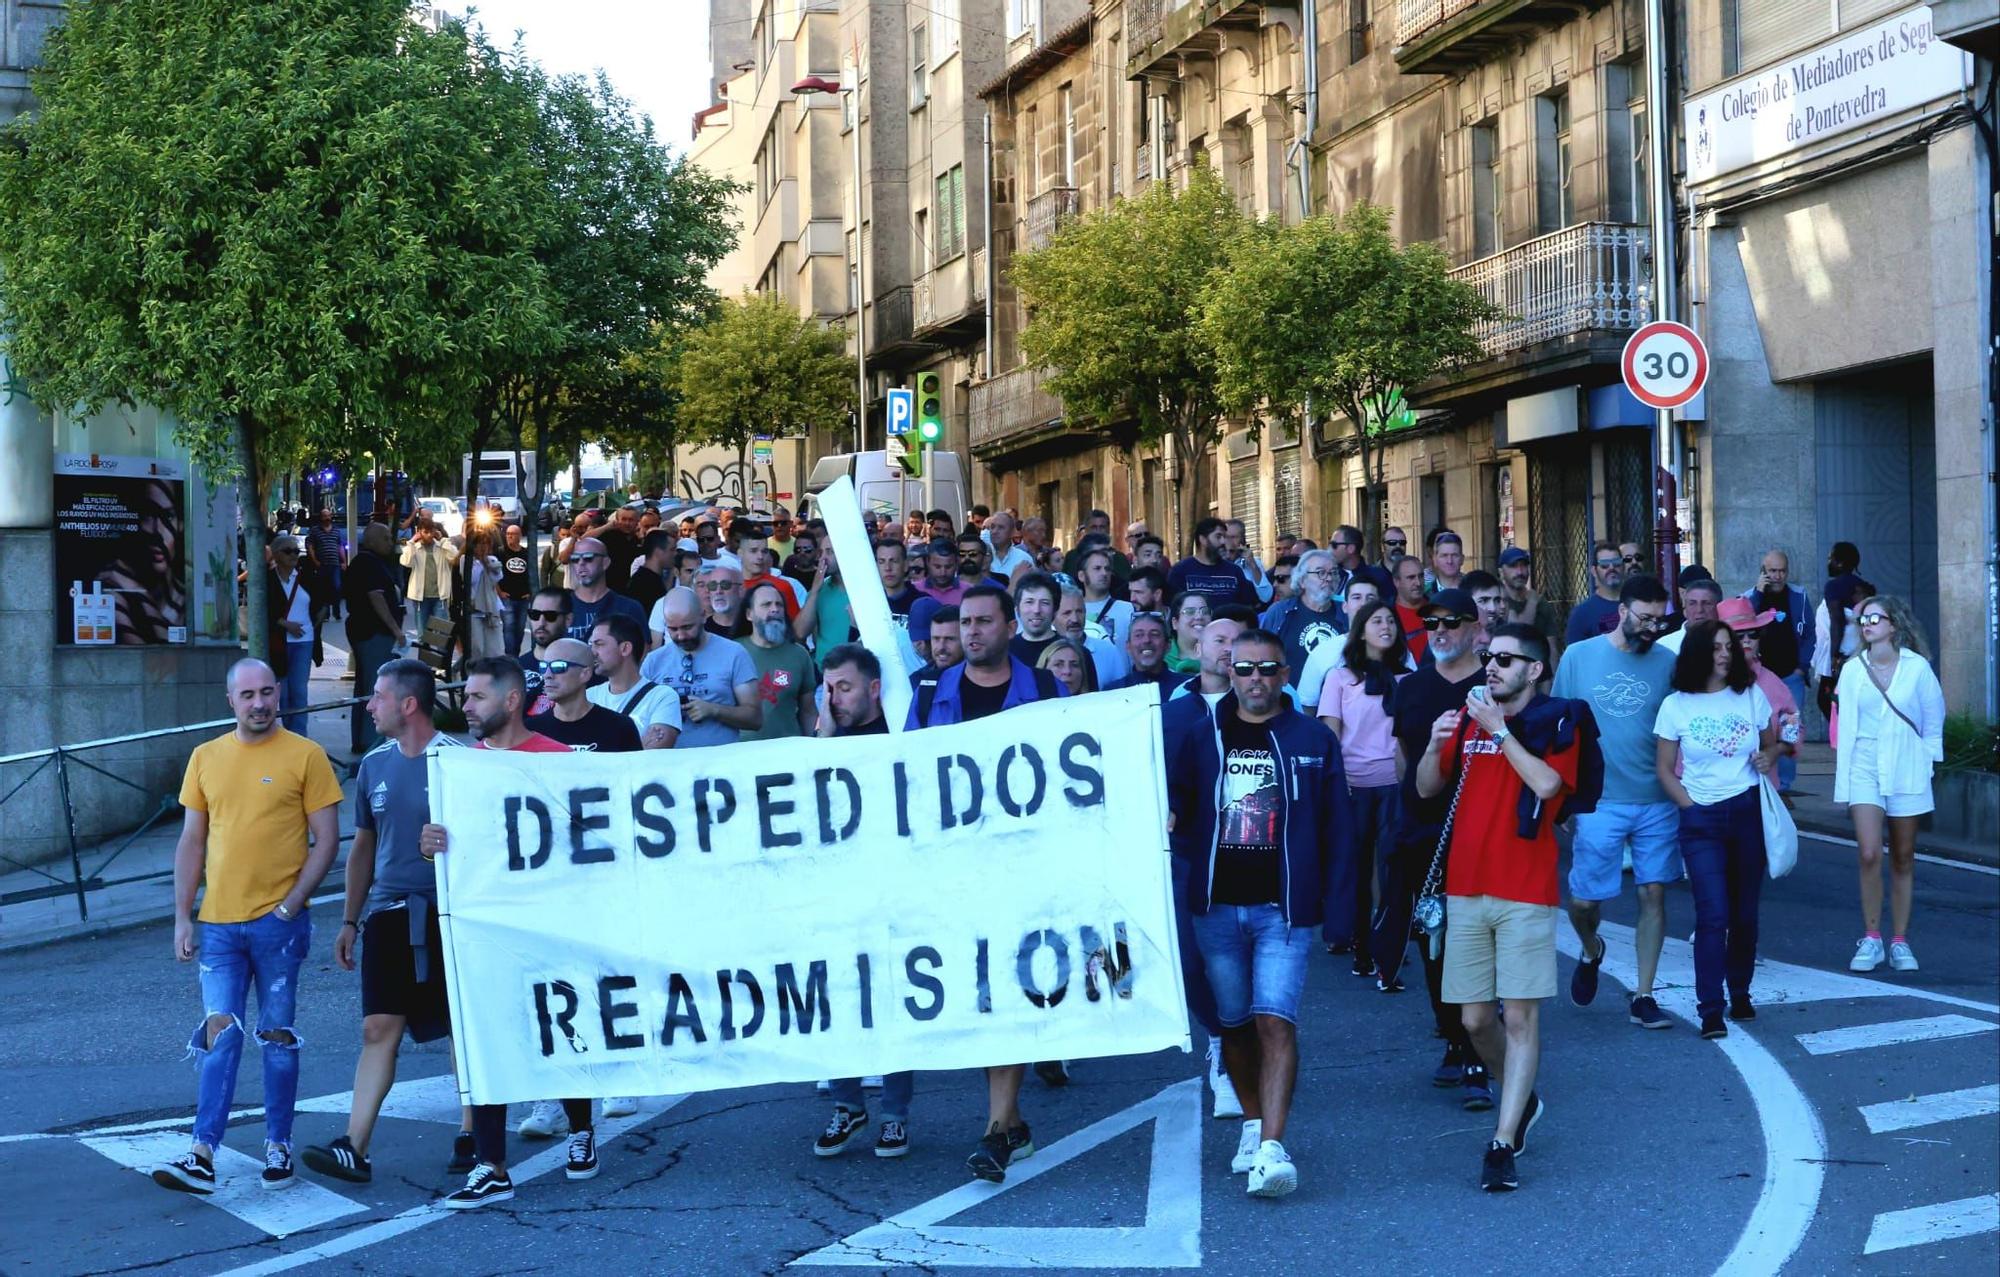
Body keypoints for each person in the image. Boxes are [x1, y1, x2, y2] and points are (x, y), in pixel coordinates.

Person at [1166, 628, 1352, 1199]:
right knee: (1235, 1026)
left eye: (1267, 669)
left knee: (1275, 1019)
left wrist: (1339, 912)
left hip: (1284, 911)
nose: (1254, 681)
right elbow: (1176, 809)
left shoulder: (1313, 739)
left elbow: (1338, 829)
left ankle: (1273, 1146)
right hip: (1216, 907)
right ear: (1228, 672)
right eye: (1244, 670)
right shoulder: (1201, 737)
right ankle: (1252, 1122)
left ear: (1286, 675)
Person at [152, 660, 343, 1196]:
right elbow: (192, 841)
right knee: (220, 1033)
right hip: (217, 925)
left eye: (266, 692)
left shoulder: (305, 755)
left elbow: (327, 840)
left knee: (277, 1037)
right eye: (247, 695)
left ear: (278, 694)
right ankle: (202, 1152)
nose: (258, 703)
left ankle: (278, 1146)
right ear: (229, 700)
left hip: (278, 925)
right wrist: (182, 916)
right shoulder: (205, 757)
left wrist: (291, 906)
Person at [1416, 624, 1591, 1193]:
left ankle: (1503, 1139)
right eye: (1489, 657)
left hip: (1524, 890)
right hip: (1465, 888)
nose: (1491, 666)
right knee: (1473, 1020)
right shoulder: (1469, 717)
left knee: (1519, 1017)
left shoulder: (1558, 722)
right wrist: (1432, 744)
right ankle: (1523, 1099)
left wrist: (1500, 730)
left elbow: (1546, 786)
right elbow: (1424, 788)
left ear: (1534, 670)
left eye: (1505, 660)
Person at [423, 658, 598, 1208]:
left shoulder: (557, 760)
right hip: (488, 929)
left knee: (562, 1028)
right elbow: (454, 847)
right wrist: (433, 842)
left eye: (475, 697)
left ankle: (581, 1129)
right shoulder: (460, 770)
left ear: (511, 701)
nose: (466, 707)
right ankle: (491, 1164)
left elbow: (587, 838)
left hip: (550, 925)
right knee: (489, 1038)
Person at [906, 586, 1066, 1183]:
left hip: (1022, 869)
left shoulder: (1047, 691)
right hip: (956, 870)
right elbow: (911, 778)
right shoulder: (929, 696)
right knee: (978, 994)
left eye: (983, 622)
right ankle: (1015, 1121)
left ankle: (998, 1131)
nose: (972, 632)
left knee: (1007, 989)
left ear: (1007, 627)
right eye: (964, 622)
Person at [301, 661, 475, 1186]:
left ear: (408, 704)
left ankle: (472, 1133)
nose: (368, 705)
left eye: (377, 696)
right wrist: (350, 919)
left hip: (450, 913)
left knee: (462, 1029)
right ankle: (355, 1147)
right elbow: (364, 848)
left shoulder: (461, 762)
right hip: (389, 914)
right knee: (377, 1027)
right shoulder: (373, 765)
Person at [1378, 592, 1490, 1107]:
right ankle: (1454, 1037)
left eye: (1450, 622)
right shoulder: (1413, 688)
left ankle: (1478, 1044)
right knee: (1433, 937)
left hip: (1485, 832)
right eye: (1431, 623)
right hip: (1424, 831)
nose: (1439, 630)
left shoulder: (1492, 684)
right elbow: (1403, 761)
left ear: (1474, 627)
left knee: (1478, 936)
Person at [1551, 574, 1678, 1029]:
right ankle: (1591, 949)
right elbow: (1559, 729)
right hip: (1598, 799)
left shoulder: (1668, 662)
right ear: (1622, 611)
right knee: (1584, 902)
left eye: (1659, 621)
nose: (1652, 628)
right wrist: (1563, 799)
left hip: (1656, 798)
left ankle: (1644, 995)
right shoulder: (1579, 657)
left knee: (1653, 892)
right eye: (1645, 618)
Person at [1654, 621, 1780, 1038]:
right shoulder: (1676, 706)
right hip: (1701, 819)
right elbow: (1665, 769)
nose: (1727, 654)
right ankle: (1710, 1007)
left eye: (1730, 646)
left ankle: (1740, 992)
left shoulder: (1750, 695)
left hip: (1746, 811)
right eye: (1717, 648)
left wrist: (1768, 757)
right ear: (1697, 653)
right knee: (1713, 914)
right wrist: (1690, 806)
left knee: (1745, 913)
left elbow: (1772, 743)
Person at [1835, 595, 1946, 974]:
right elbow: (1845, 727)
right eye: (1863, 619)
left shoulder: (1917, 669)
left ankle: (1899, 939)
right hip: (1864, 764)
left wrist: (1928, 764)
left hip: (1907, 765)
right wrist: (1844, 782)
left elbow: (1933, 721)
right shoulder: (1852, 670)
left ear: (1894, 625)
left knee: (1902, 855)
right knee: (1868, 852)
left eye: (1875, 618)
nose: (1867, 624)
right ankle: (1871, 938)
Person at [1317, 599, 1409, 982]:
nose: (1385, 626)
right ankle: (1360, 943)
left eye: (1391, 620)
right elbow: (1329, 732)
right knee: (1356, 868)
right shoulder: (1340, 678)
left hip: (1395, 784)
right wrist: (1334, 786)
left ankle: (1390, 943)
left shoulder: (1406, 678)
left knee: (1392, 868)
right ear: (1361, 630)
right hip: (1354, 783)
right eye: (1376, 620)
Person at [641, 586, 762, 748]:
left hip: (719, 763)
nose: (681, 636)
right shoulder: (654, 661)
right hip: (669, 764)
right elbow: (638, 718)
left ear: (703, 616)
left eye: (687, 627)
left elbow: (755, 718)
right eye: (673, 629)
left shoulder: (734, 654)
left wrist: (714, 710)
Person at [1742, 548, 1815, 790]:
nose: (1778, 576)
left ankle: (1785, 785)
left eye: (1782, 570)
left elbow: (1810, 635)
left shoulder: (1798, 596)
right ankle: (1760, 781)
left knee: (1791, 727)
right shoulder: (1750, 597)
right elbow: (1742, 625)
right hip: (1759, 678)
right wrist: (1757, 594)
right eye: (1772, 571)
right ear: (1763, 571)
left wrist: (1802, 668)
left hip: (1790, 676)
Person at [1296, 572, 1410, 714]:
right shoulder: (1324, 652)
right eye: (1357, 598)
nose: (1363, 604)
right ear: (1345, 606)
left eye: (1370, 598)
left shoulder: (1399, 651)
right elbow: (1308, 705)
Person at [344, 523, 406, 757]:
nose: (390, 543)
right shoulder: (368, 564)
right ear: (372, 540)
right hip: (373, 633)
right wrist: (396, 630)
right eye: (386, 538)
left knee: (366, 685)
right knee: (374, 687)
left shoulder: (369, 562)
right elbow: (376, 597)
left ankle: (362, 738)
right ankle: (371, 740)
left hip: (367, 632)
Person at [528, 638, 644, 752]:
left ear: (585, 674)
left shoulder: (620, 728)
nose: (547, 675)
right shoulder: (531, 730)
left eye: (558, 667)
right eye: (543, 667)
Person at [587, 613, 681, 748]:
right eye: (590, 645)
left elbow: (654, 756)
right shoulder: (588, 697)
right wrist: (637, 745)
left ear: (625, 648)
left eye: (599, 644)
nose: (592, 652)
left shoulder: (662, 697)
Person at [743, 580, 818, 739]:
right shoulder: (733, 651)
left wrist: (815, 747)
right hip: (741, 753)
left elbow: (808, 711)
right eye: (766, 605)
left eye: (779, 605)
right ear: (749, 614)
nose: (775, 609)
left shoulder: (800, 655)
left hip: (788, 753)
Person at [1264, 549, 1345, 688]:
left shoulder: (1346, 611)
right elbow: (1263, 655)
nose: (1329, 578)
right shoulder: (1280, 612)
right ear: (1302, 580)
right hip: (1292, 701)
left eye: (1333, 572)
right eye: (1321, 572)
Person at [1812, 541, 1874, 720]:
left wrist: (1834, 656)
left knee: (1827, 701)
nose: (1828, 563)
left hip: (1842, 654)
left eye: (1830, 559)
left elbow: (1837, 620)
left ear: (1839, 563)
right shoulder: (1865, 587)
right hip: (1861, 652)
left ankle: (1842, 741)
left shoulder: (1834, 586)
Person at [267, 536, 314, 724]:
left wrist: (313, 624)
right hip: (279, 642)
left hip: (304, 641)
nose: (293, 555)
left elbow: (321, 601)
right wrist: (285, 624)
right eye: (288, 551)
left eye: (296, 551)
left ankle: (300, 735)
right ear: (276, 555)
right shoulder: (268, 580)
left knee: (299, 692)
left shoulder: (305, 576)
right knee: (283, 694)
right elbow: (263, 611)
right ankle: (287, 735)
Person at [564, 536, 645, 643]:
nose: (581, 563)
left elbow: (643, 654)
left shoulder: (629, 608)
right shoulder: (560, 608)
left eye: (588, 558)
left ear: (605, 563)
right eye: (575, 559)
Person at [1168, 517, 1260, 609]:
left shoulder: (1234, 571)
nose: (1223, 541)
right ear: (1203, 539)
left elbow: (1248, 607)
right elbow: (1174, 608)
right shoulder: (1180, 571)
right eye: (1218, 536)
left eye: (1224, 537)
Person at [1055, 583, 1127, 687]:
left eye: (1079, 612)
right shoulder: (1046, 653)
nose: (1075, 619)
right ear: (1053, 617)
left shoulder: (1108, 651)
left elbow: (1122, 695)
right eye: (1067, 613)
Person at [1498, 547, 1563, 658]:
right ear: (1501, 571)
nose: (1520, 572)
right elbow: (1518, 635)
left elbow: (1551, 648)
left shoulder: (1541, 603)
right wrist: (1531, 603)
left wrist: (1555, 674)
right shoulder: (1497, 601)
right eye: (1513, 566)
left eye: (1524, 565)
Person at [400, 520, 458, 637]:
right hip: (420, 597)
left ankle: (441, 655)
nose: (429, 535)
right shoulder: (414, 548)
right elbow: (406, 562)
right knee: (423, 634)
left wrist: (443, 540)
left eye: (431, 532)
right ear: (419, 532)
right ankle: (423, 655)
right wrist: (411, 542)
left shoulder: (441, 546)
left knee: (442, 634)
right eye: (426, 532)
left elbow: (454, 556)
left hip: (439, 596)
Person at [1564, 541, 1625, 644]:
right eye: (1604, 565)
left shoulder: (1637, 605)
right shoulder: (1581, 614)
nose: (1611, 568)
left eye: (1616, 563)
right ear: (1594, 571)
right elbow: (1576, 657)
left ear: (1623, 567)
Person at [460, 528, 507, 662]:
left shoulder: (492, 560)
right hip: (474, 609)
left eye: (486, 543)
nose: (483, 547)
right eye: (480, 543)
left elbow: (496, 578)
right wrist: (480, 562)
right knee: (477, 649)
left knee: (495, 649)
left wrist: (487, 563)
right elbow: (470, 579)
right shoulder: (466, 560)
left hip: (491, 608)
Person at [1109, 611, 1185, 694]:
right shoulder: (1113, 692)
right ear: (1128, 646)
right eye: (1139, 635)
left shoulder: (1187, 688)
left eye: (1154, 634)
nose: (1146, 640)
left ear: (1168, 645)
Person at [1078, 546, 1134, 650]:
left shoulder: (1128, 609)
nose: (1104, 573)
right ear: (1081, 575)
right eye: (1097, 568)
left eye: (1107, 569)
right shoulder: (1073, 612)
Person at [1656, 574, 1721, 656]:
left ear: (1719, 607)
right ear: (1685, 608)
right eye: (1692, 603)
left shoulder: (1730, 644)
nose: (1699, 610)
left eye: (1706, 603)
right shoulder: (1664, 646)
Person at [1010, 572, 1063, 665]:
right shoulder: (1003, 652)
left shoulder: (1073, 652)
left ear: (1055, 609)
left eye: (1045, 602)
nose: (1036, 610)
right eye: (1029, 602)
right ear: (1017, 609)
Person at [305, 508, 346, 621]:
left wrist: (344, 561)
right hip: (322, 565)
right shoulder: (315, 531)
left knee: (337, 587)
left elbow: (340, 546)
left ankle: (336, 612)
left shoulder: (336, 531)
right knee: (323, 589)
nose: (327, 518)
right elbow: (310, 546)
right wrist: (315, 561)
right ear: (321, 518)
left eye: (329, 516)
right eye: (325, 516)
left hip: (335, 564)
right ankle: (326, 614)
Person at [498, 524, 533, 657]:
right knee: (509, 628)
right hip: (507, 598)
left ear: (520, 536)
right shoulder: (501, 552)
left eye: (513, 534)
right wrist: (499, 592)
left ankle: (516, 655)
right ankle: (510, 657)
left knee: (520, 629)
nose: (509, 536)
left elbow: (532, 572)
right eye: (507, 533)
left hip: (523, 598)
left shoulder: (526, 553)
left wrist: (530, 591)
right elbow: (493, 574)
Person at [626, 529, 675, 621]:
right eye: (672, 550)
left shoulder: (649, 579)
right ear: (658, 552)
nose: (675, 553)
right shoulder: (644, 583)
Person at [695, 559, 750, 639]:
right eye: (713, 586)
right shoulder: (700, 631)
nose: (718, 591)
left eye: (725, 585)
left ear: (741, 590)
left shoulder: (755, 629)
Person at [1222, 518, 1273, 603]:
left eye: (1233, 537)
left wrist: (1252, 565)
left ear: (1243, 540)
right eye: (1226, 537)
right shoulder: (1213, 563)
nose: (1229, 542)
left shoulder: (1254, 563)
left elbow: (1266, 596)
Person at [1392, 555, 1431, 661]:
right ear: (1397, 582)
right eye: (1411, 577)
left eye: (1421, 576)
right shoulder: (1388, 617)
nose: (1418, 583)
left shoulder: (1438, 608)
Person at [1166, 590, 1211, 676]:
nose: (1199, 617)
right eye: (1190, 612)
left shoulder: (1221, 655)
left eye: (1205, 611)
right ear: (1175, 623)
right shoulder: (1161, 656)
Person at [984, 511, 1034, 582]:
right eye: (992, 527)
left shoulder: (1024, 559)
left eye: (1001, 527)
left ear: (1012, 532)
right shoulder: (982, 557)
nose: (994, 531)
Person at [1427, 530, 1465, 595]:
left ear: (1462, 559)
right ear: (1434, 560)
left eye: (1454, 555)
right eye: (1444, 555)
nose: (1449, 561)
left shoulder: (1474, 590)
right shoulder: (1424, 594)